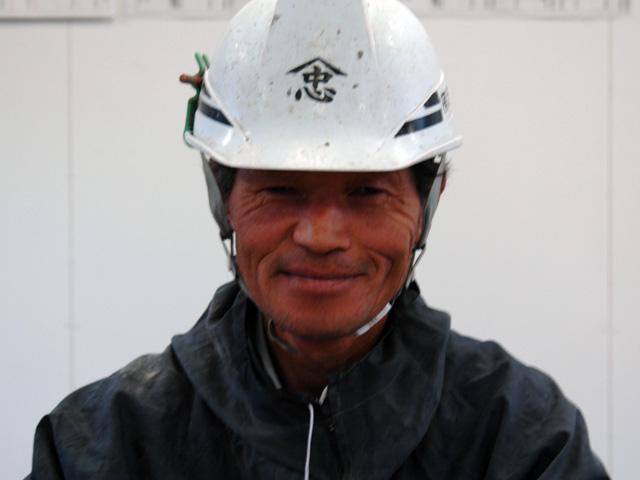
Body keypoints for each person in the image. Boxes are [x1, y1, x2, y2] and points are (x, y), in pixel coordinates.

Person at [28, 0, 608, 478]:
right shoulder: (108, 444)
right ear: (222, 199)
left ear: (428, 202)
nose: (322, 235)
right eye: (281, 189)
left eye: (367, 192)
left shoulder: (519, 440)